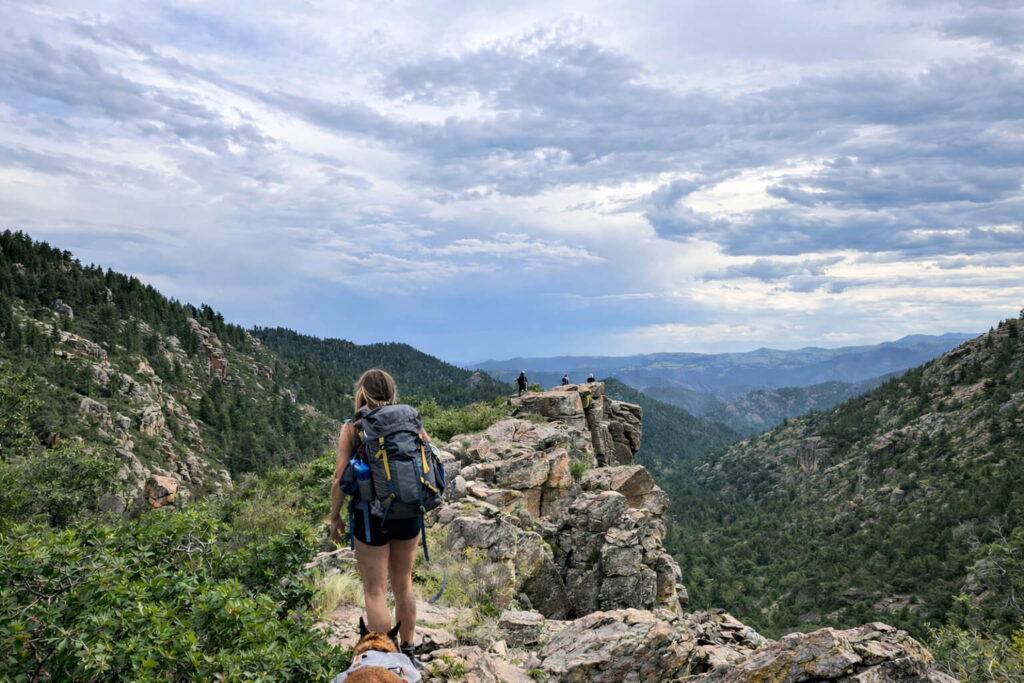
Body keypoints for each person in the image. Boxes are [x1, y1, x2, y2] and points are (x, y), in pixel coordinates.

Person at [331, 369, 421, 666]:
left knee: (375, 590)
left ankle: (385, 662)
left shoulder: (352, 427)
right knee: (404, 584)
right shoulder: (409, 420)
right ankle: (408, 651)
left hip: (369, 516)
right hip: (408, 512)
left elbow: (339, 479)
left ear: (361, 393)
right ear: (392, 392)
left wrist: (335, 518)